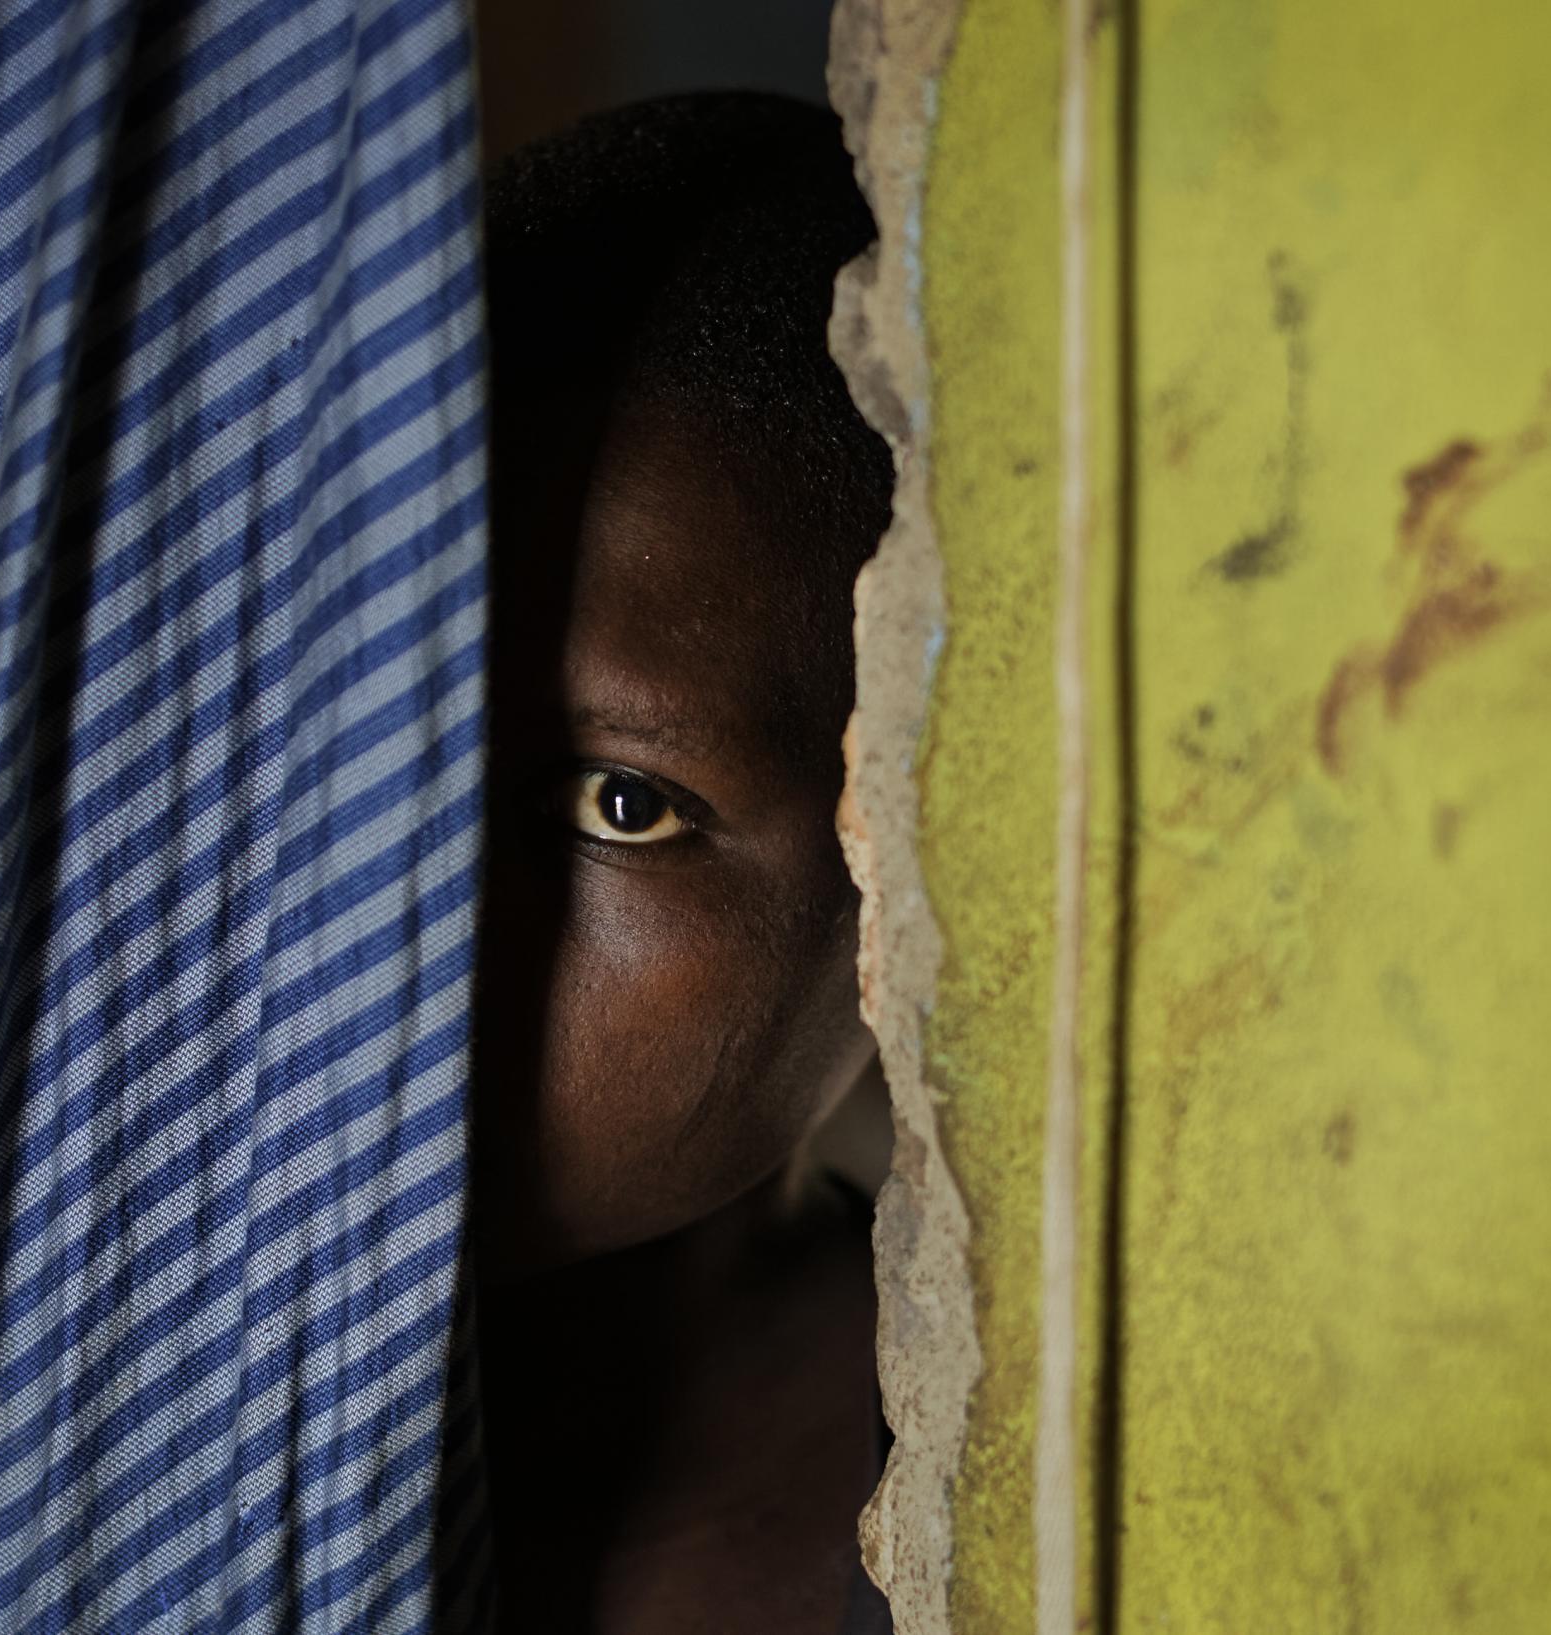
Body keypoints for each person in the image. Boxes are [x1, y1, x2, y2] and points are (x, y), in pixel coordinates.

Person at [469, 92, 897, 1634]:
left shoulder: (1079, 1508)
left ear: (901, 885)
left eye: (620, 807)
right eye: (381, 770)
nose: (419, 938)